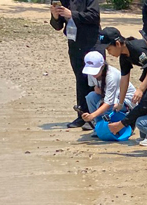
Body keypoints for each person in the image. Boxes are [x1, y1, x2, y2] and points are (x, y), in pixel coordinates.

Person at [49, 0, 101, 129]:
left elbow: (94, 16)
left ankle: (98, 115)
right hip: (74, 43)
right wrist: (55, 16)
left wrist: (72, 14)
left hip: (92, 42)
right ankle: (82, 116)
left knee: (96, 79)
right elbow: (57, 26)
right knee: (80, 79)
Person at [99, 27, 147, 111]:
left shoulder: (137, 49)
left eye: (109, 49)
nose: (109, 53)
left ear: (117, 44)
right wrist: (120, 103)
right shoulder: (124, 57)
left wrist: (140, 89)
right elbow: (124, 79)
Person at [80, 51, 136, 127]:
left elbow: (109, 102)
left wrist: (92, 116)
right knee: (91, 96)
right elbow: (95, 88)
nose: (93, 74)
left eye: (95, 70)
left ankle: (123, 123)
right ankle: (99, 125)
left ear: (102, 66)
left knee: (104, 105)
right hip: (109, 96)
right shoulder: (92, 74)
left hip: (126, 101)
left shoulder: (112, 76)